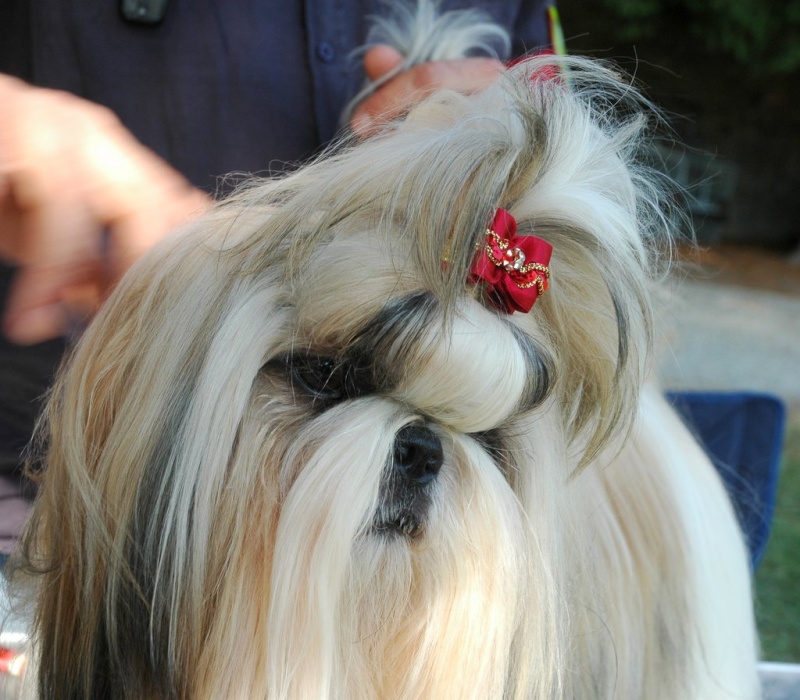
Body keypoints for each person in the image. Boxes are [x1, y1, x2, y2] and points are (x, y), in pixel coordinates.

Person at [0, 0, 555, 555]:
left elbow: (560, 107)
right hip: (53, 504)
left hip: (454, 551)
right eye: (318, 375)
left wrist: (526, 137)